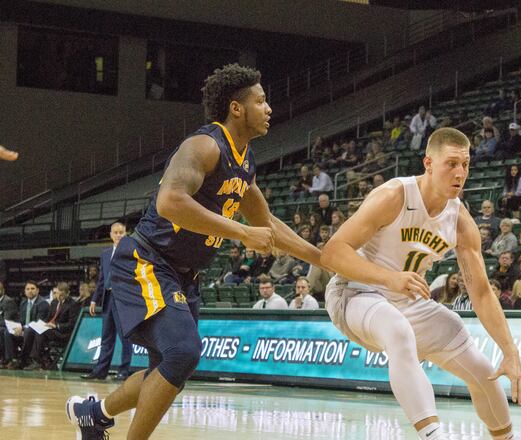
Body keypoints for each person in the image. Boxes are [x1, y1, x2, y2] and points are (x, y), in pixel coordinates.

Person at [66, 64, 323, 440]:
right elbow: (170, 201)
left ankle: (94, 413)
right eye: (261, 101)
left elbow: (268, 226)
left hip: (185, 274)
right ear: (237, 108)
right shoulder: (204, 145)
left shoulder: (245, 160)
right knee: (183, 353)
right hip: (148, 259)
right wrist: (240, 232)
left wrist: (321, 257)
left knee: (171, 369)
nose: (269, 108)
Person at [321, 127, 521, 440]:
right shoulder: (394, 196)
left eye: (466, 164)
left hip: (405, 302)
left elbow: (482, 293)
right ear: (428, 163)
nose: (460, 173)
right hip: (354, 294)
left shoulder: (460, 221)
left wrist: (510, 351)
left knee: (478, 364)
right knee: (398, 330)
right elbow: (332, 252)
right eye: (452, 164)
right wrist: (389, 277)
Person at [82, 222, 133, 381]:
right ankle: (100, 371)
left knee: (125, 337)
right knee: (106, 337)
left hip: (123, 300)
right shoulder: (105, 254)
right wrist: (94, 300)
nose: (118, 235)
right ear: (110, 235)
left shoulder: (131, 252)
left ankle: (123, 371)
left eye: (121, 232)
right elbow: (102, 279)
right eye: (115, 232)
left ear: (126, 234)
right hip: (108, 298)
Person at [26, 282, 81, 370]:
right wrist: (43, 324)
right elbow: (48, 318)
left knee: (42, 332)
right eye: (58, 294)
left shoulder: (73, 305)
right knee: (34, 330)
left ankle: (37, 359)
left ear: (68, 293)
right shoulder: (54, 302)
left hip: (63, 333)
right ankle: (38, 359)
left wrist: (57, 325)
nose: (59, 297)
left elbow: (72, 324)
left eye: (62, 295)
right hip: (51, 330)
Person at [4, 281, 49, 369]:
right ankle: (11, 359)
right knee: (7, 332)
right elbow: (21, 320)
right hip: (25, 330)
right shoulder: (24, 303)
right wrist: (17, 326)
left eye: (32, 289)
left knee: (28, 331)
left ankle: (23, 360)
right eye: (27, 289)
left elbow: (38, 322)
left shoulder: (42, 303)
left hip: (36, 332)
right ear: (24, 291)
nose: (30, 291)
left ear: (38, 290)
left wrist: (23, 328)